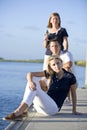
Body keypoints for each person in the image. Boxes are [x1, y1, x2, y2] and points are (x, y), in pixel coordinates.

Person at [3, 55, 80, 121]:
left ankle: (19, 111)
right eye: (53, 65)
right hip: (41, 107)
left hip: (53, 108)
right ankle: (23, 111)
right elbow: (30, 73)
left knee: (34, 83)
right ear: (50, 67)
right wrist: (30, 81)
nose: (56, 66)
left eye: (58, 63)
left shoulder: (70, 76)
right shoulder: (50, 73)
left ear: (61, 62)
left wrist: (74, 110)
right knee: (32, 79)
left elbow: (73, 94)